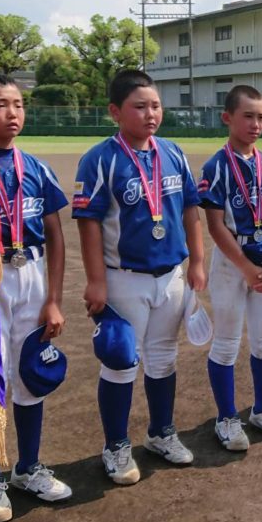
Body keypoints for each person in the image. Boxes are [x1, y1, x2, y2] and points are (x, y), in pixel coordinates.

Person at [73, 69, 206, 484]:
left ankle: (161, 432)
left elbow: (189, 210)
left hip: (171, 275)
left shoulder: (173, 152)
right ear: (115, 111)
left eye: (155, 106)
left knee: (164, 357)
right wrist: (96, 281)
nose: (151, 114)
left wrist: (198, 261)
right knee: (121, 362)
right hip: (123, 277)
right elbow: (88, 222)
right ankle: (116, 445)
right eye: (139, 106)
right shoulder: (100, 159)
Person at [0, 72, 72, 522]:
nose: (13, 113)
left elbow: (55, 235)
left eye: (18, 104)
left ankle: (28, 467)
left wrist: (54, 299)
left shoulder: (37, 168)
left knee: (29, 373)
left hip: (28, 272)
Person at [199, 84, 262, 450]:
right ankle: (226, 418)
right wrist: (244, 269)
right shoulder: (217, 166)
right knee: (226, 343)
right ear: (228, 118)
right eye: (248, 116)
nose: (256, 124)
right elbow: (215, 224)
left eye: (261, 117)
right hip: (231, 265)